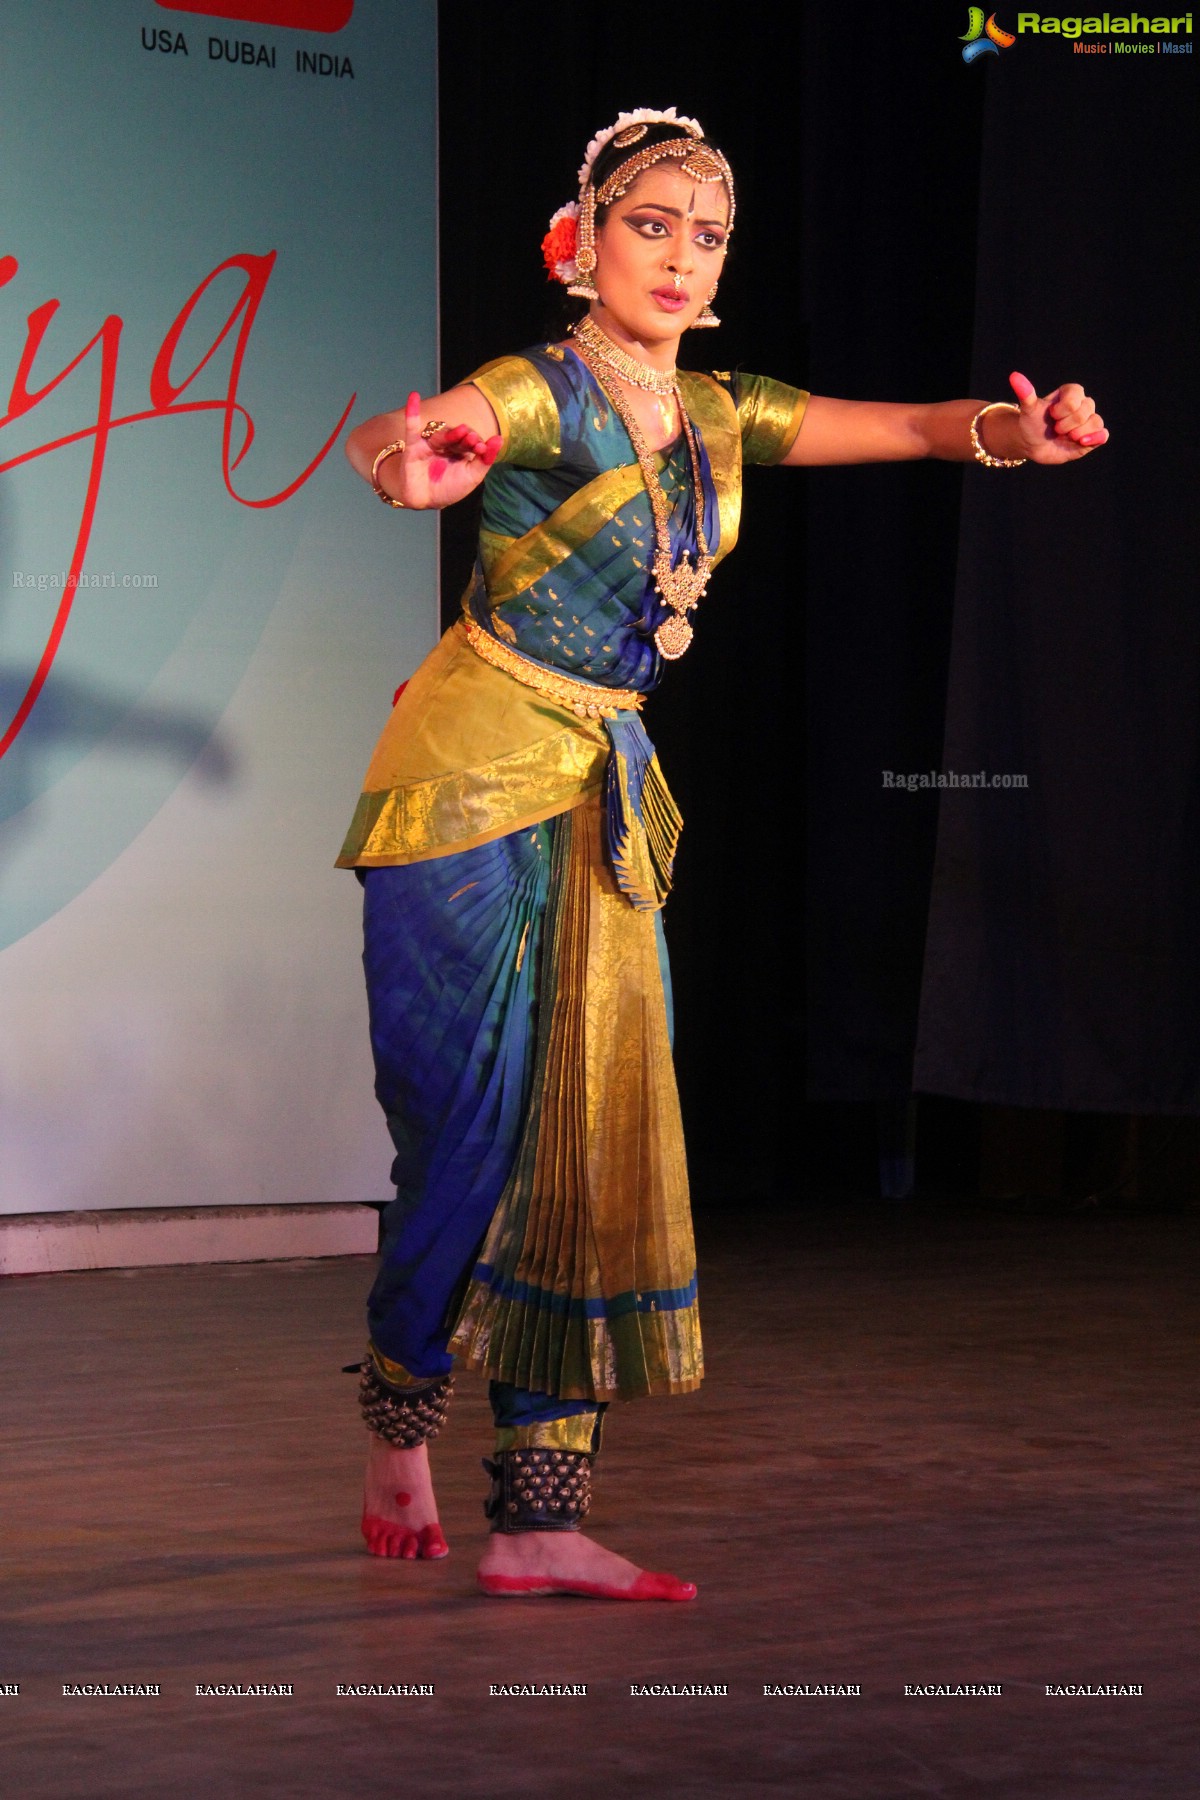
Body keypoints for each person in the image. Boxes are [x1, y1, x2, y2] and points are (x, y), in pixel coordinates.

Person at [339, 108, 1108, 1602]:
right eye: (652, 226)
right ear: (585, 239)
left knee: (596, 1130)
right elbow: (431, 429)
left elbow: (910, 427)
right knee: (471, 1130)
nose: (682, 258)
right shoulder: (544, 390)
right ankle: (397, 1407)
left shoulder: (725, 411)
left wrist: (1023, 431)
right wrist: (407, 464)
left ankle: (541, 1519)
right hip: (466, 781)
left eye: (708, 237)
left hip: (606, 789)